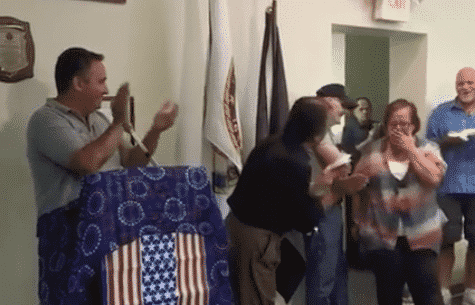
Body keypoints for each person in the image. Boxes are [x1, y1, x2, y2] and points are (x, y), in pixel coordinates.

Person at [27, 47, 178, 303]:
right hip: (67, 236)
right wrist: (120, 121)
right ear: (78, 83)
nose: (106, 90)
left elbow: (132, 163)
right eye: (101, 81)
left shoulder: (98, 120)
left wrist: (156, 130)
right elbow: (87, 163)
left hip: (109, 231)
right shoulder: (45, 120)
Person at [226, 97, 330, 305]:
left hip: (236, 226)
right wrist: (332, 191)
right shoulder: (294, 160)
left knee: (291, 268)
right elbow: (304, 221)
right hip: (256, 238)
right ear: (316, 129)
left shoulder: (272, 143)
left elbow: (279, 196)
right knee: (256, 299)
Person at [352, 99, 446, 305]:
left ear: (414, 125)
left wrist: (412, 150)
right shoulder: (371, 151)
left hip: (423, 235)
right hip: (384, 237)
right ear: (385, 125)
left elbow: (434, 179)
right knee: (388, 295)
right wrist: (358, 222)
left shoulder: (429, 148)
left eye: (405, 124)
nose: (399, 129)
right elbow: (357, 187)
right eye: (394, 124)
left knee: (428, 296)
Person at [304, 84, 368, 305]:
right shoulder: (313, 131)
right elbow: (343, 167)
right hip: (322, 211)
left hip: (332, 210)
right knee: (323, 279)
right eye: (341, 105)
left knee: (337, 272)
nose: (344, 112)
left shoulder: (326, 133)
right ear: (327, 102)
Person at [426, 67, 475, 305]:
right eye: (460, 83)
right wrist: (448, 141)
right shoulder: (441, 113)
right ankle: (443, 292)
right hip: (447, 187)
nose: (465, 87)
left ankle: (471, 292)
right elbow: (427, 148)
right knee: (446, 241)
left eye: (470, 83)